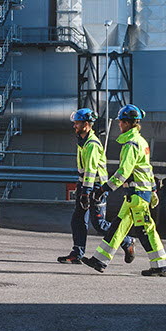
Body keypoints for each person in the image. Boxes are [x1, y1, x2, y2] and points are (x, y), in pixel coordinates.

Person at [83, 104, 166, 277]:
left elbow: (123, 173)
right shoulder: (141, 141)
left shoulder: (130, 145)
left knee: (145, 230)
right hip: (138, 194)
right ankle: (100, 260)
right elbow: (147, 168)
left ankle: (160, 266)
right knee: (117, 228)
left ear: (127, 123)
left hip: (136, 195)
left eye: (121, 122)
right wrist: (153, 189)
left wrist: (102, 189)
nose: (119, 125)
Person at [56, 109, 134, 265]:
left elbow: (91, 171)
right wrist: (82, 189)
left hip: (95, 187)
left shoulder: (91, 144)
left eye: (77, 123)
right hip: (85, 184)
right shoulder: (82, 141)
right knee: (77, 219)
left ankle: (127, 241)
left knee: (99, 224)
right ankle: (77, 253)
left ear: (86, 124)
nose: (74, 126)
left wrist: (86, 192)